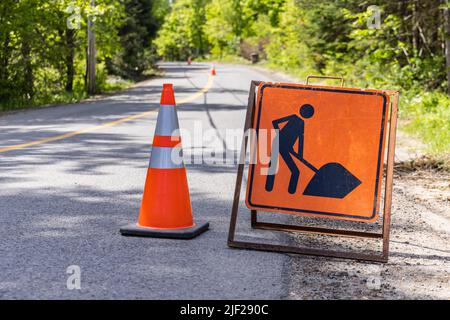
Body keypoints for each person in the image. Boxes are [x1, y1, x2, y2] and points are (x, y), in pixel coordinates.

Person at [265, 104, 315, 194]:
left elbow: (301, 139)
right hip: (278, 143)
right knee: (273, 166)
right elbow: (275, 122)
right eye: (306, 111)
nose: (307, 114)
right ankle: (268, 189)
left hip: (286, 146)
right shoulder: (293, 117)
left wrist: (300, 155)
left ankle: (291, 193)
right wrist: (279, 135)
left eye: (308, 113)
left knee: (295, 171)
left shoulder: (302, 123)